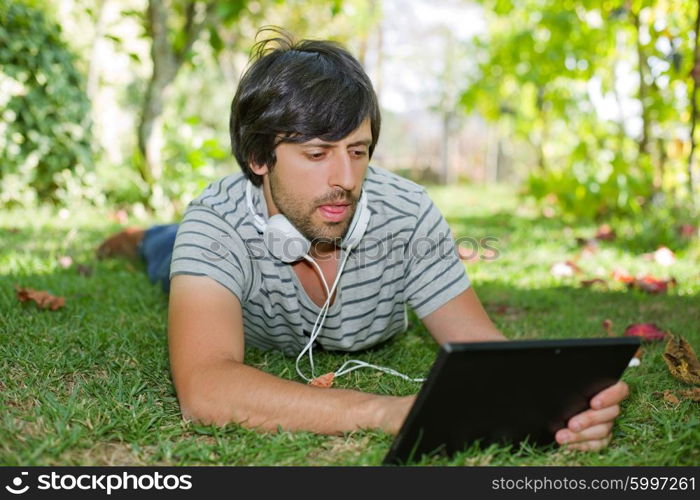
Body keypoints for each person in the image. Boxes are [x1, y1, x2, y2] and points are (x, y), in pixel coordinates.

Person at [98, 28, 628, 451]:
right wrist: (383, 410)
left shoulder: (408, 214)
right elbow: (205, 388)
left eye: (358, 151)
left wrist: (563, 404)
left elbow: (484, 350)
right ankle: (141, 237)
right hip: (196, 249)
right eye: (316, 153)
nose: (346, 180)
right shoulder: (215, 223)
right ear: (260, 158)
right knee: (164, 255)